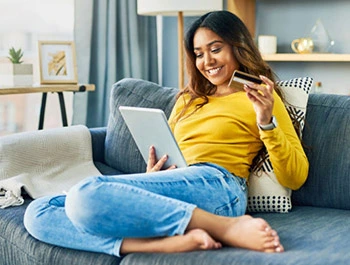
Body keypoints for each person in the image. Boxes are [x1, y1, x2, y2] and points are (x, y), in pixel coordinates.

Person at [24, 10, 309, 257]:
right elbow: (170, 150)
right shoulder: (187, 100)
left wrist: (266, 121)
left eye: (215, 48)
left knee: (85, 194)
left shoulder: (260, 98)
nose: (206, 61)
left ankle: (228, 226)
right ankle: (158, 245)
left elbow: (295, 176)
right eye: (198, 54)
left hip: (219, 185)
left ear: (238, 47)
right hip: (176, 181)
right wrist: (153, 175)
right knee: (38, 212)